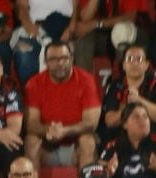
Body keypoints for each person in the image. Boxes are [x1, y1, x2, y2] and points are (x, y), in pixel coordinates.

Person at [24, 41, 102, 170]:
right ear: (45, 62)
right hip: (47, 146)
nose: (59, 63)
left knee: (88, 140)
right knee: (31, 140)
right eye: (53, 59)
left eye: (64, 58)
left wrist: (65, 131)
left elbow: (91, 123)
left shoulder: (86, 80)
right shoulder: (34, 83)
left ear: (71, 59)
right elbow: (31, 124)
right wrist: (49, 131)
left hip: (75, 147)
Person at [99, 45, 156, 145]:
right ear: (123, 65)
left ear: (146, 65)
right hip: (121, 139)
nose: (135, 63)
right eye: (130, 59)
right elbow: (109, 121)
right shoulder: (114, 86)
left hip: (151, 137)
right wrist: (127, 109)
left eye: (139, 59)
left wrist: (140, 100)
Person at [0, 52, 23, 178]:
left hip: (1, 145)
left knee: (12, 146)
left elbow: (13, 130)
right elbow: (5, 134)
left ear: (2, 70)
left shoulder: (10, 91)